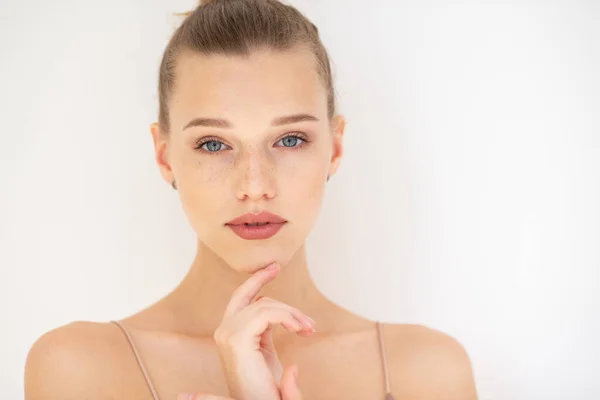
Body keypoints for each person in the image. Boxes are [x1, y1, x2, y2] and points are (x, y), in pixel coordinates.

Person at [24, 0, 478, 399]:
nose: (255, 185)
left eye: (291, 139)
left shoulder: (428, 372)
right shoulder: (81, 370)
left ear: (335, 148)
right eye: (214, 144)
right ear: (165, 157)